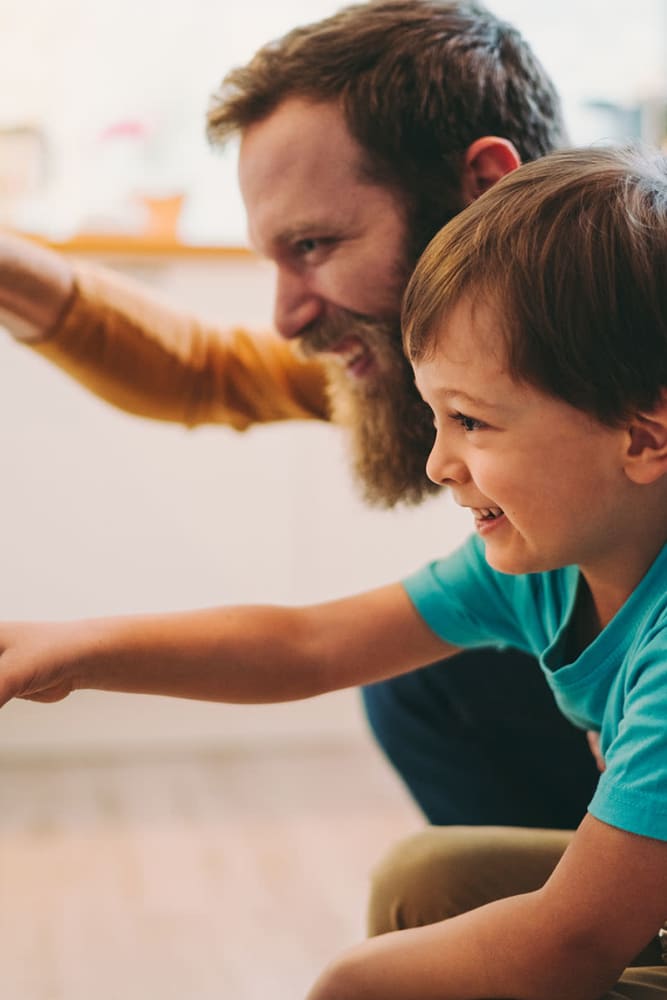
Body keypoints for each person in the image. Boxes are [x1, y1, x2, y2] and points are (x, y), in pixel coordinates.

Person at [2, 143, 667, 999]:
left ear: (643, 438)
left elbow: (570, 941)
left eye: (471, 421)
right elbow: (307, 645)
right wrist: (75, 650)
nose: (437, 465)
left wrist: (345, 985)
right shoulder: (543, 567)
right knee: (427, 879)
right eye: (435, 416)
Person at [0, 0, 599, 828]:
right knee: (426, 678)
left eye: (313, 245)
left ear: (484, 188)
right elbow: (206, 375)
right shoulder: (416, 361)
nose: (285, 318)